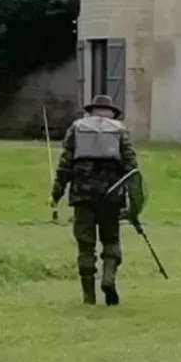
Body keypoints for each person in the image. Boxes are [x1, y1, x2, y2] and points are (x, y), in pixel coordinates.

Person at [50, 94, 143, 306]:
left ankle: (88, 296)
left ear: (91, 110)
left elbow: (65, 164)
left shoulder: (76, 128)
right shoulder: (120, 130)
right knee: (111, 239)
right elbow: (131, 167)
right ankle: (108, 278)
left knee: (85, 245)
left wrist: (56, 193)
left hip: (82, 195)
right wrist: (135, 203)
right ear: (111, 112)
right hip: (112, 196)